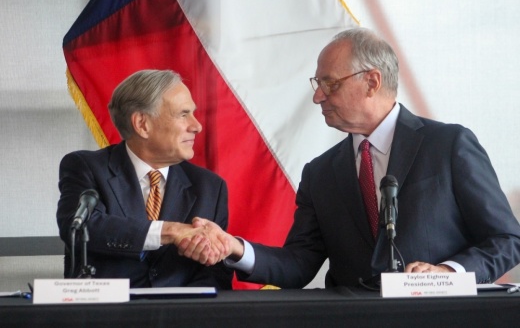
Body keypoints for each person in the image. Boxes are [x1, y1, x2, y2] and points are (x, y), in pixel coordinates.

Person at [180, 27, 520, 288]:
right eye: (318, 83)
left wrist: (448, 273)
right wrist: (235, 248)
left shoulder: (448, 145)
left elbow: (506, 240)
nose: (317, 97)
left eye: (330, 84)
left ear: (371, 81)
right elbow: (299, 264)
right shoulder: (321, 173)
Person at [56, 69, 232, 289]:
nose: (196, 126)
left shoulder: (209, 188)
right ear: (142, 124)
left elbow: (216, 276)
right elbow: (84, 227)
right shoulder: (87, 168)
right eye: (183, 114)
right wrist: (171, 231)